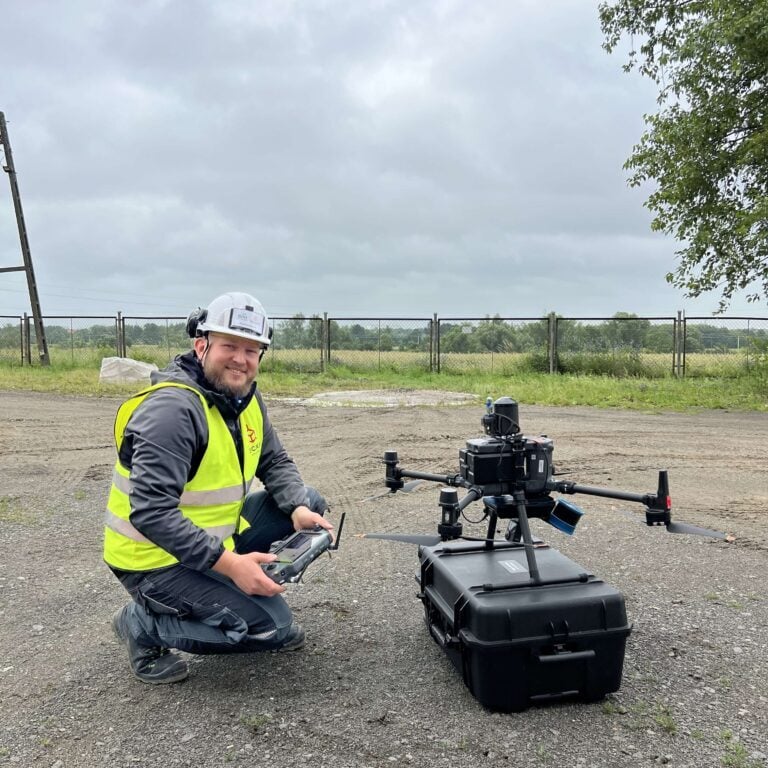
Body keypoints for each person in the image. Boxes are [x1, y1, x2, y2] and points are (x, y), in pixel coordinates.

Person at [104, 291, 332, 684]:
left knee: (310, 502)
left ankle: (225, 586)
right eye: (230, 346)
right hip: (152, 560)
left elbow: (274, 461)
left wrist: (297, 507)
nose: (241, 360)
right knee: (272, 628)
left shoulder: (243, 399)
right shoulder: (172, 412)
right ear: (201, 346)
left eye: (251, 350)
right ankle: (141, 624)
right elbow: (152, 513)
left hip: (207, 539)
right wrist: (231, 566)